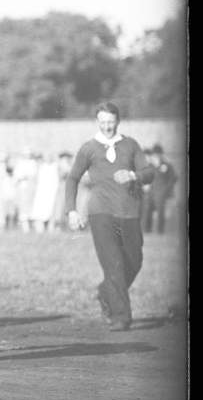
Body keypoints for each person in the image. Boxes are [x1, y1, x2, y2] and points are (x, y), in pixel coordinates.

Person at [64, 103, 155, 331]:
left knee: (134, 261)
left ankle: (105, 293)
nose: (107, 126)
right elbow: (72, 179)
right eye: (102, 122)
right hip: (100, 213)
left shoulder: (130, 145)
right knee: (113, 264)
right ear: (96, 122)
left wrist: (133, 175)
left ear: (118, 120)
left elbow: (149, 173)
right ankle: (121, 316)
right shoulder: (89, 148)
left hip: (129, 213)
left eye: (111, 121)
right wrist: (72, 211)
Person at [141, 144, 178, 235]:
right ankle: (146, 230)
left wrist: (166, 189)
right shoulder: (150, 166)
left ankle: (159, 230)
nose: (157, 156)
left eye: (158, 154)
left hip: (161, 193)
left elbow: (173, 178)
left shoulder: (167, 165)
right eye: (155, 154)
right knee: (146, 209)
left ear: (161, 154)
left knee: (160, 210)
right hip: (150, 192)